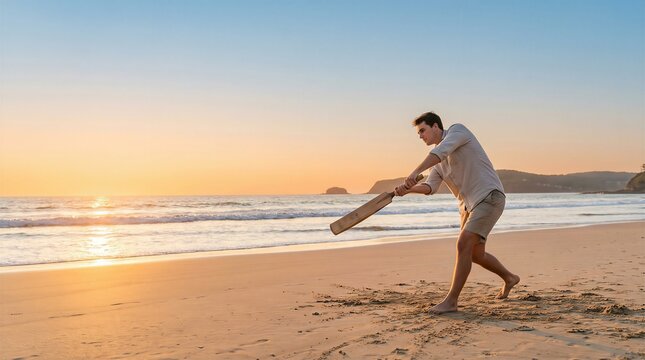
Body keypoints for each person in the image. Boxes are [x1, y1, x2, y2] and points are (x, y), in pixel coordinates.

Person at [394, 112, 520, 314]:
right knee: (475, 255)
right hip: (468, 207)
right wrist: (407, 190)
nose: (420, 136)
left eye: (422, 131)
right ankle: (510, 278)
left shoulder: (457, 131)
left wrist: (412, 173)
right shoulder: (437, 162)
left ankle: (451, 301)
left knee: (463, 244)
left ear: (436, 127)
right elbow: (430, 187)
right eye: (418, 133)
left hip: (489, 196)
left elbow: (442, 152)